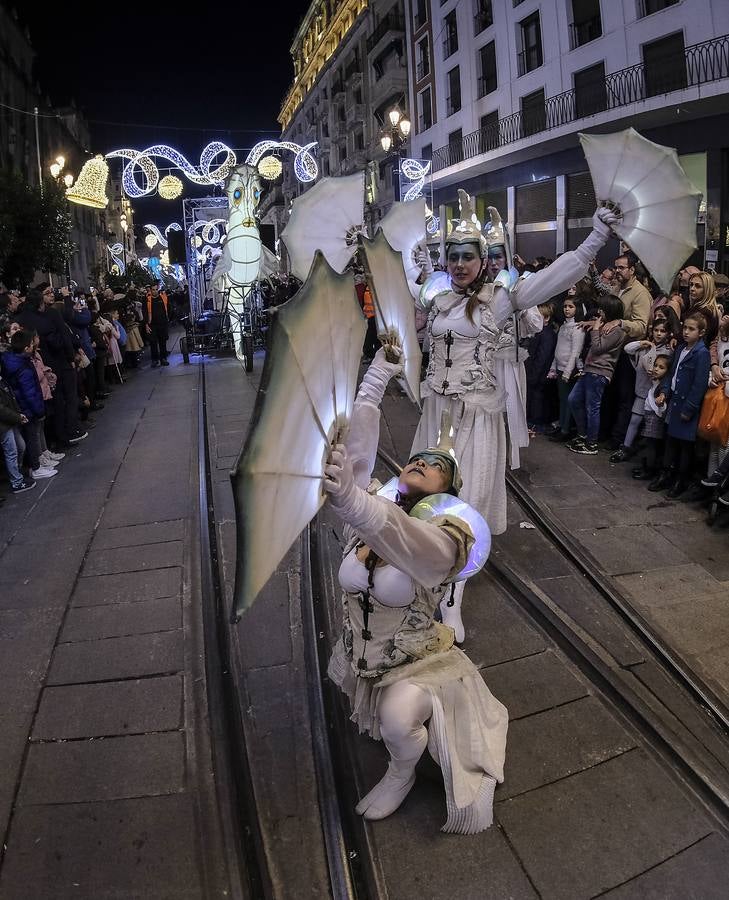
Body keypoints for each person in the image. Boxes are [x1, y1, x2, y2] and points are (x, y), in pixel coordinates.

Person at [412, 191, 620, 638]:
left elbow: (555, 276)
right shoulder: (440, 300)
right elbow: (400, 295)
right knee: (428, 502)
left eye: (469, 257)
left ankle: (452, 602)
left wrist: (597, 235)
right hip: (437, 415)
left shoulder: (499, 301)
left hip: (476, 418)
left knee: (460, 508)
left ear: (483, 261)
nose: (461, 264)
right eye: (454, 257)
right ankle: (429, 579)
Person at [323, 345, 507, 833]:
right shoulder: (374, 508)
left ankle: (401, 772)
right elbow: (357, 458)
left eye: (437, 466)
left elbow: (410, 541)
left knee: (398, 722)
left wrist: (354, 504)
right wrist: (378, 375)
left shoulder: (448, 536)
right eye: (418, 458)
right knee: (383, 716)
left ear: (448, 490)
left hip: (416, 662)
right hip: (365, 651)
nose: (424, 461)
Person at [649, 312, 712, 497]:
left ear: (701, 332)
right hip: (674, 403)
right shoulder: (680, 349)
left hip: (686, 406)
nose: (686, 332)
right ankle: (666, 474)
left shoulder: (702, 353)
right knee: (671, 442)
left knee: (685, 446)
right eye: (685, 327)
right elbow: (671, 375)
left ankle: (680, 479)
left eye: (691, 329)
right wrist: (665, 392)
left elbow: (699, 384)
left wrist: (690, 408)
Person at [567, 293, 626, 455]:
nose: (600, 311)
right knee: (573, 399)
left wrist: (595, 329)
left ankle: (591, 443)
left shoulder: (618, 331)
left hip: (600, 373)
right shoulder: (604, 325)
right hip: (589, 370)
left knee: (592, 407)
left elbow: (599, 347)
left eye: (603, 308)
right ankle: (582, 433)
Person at [610, 318, 673, 462]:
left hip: (655, 394)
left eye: (662, 331)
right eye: (656, 330)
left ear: (668, 333)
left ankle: (648, 458)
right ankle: (625, 447)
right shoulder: (646, 347)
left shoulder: (668, 351)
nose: (658, 334)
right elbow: (628, 349)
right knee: (635, 420)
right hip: (641, 390)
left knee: (652, 429)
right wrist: (641, 342)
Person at [608, 252, 652, 448]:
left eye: (621, 268)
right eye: (616, 267)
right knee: (612, 394)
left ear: (632, 270)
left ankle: (619, 440)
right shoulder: (618, 288)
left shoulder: (640, 293)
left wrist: (621, 322)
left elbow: (641, 326)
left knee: (625, 396)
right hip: (613, 348)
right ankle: (608, 434)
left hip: (629, 353)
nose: (617, 271)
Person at [1, 329, 57, 480]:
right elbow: (29, 392)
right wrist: (39, 410)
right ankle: (36, 467)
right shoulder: (22, 367)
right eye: (31, 344)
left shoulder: (12, 361)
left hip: (21, 406)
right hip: (28, 408)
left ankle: (37, 464)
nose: (33, 346)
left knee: (30, 437)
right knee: (31, 437)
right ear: (26, 348)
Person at [547, 293, 585, 442]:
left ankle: (565, 429)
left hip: (568, 370)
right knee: (562, 399)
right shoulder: (564, 326)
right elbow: (558, 348)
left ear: (577, 309)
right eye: (565, 306)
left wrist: (568, 371)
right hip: (560, 367)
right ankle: (561, 426)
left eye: (571, 306)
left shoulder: (577, 328)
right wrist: (553, 367)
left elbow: (576, 352)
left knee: (568, 400)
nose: (567, 309)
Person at [631, 354, 672, 480]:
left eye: (661, 367)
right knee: (647, 443)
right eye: (655, 365)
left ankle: (649, 469)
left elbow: (663, 400)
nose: (656, 369)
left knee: (651, 445)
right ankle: (646, 466)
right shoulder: (656, 380)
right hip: (649, 414)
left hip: (655, 417)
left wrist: (661, 400)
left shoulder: (664, 384)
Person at [0, 373, 35, 494]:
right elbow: (2, 409)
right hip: (4, 425)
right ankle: (16, 481)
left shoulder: (2, 380)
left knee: (20, 447)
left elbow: (11, 400)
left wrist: (18, 414)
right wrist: (17, 417)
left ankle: (17, 473)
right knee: (12, 451)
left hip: (10, 421)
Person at [525, 302, 557, 434]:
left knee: (537, 398)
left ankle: (535, 424)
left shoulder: (547, 335)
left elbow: (542, 357)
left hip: (539, 374)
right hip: (535, 372)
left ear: (547, 318)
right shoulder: (541, 333)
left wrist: (534, 375)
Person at [686, 271, 721, 345]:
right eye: (691, 284)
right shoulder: (699, 308)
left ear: (707, 290)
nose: (692, 288)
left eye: (697, 286)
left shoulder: (704, 312)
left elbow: (698, 340)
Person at [144, 283, 170, 367]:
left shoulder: (163, 298)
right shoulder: (147, 300)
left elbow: (168, 308)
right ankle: (155, 360)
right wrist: (146, 324)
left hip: (162, 324)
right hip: (152, 325)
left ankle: (163, 358)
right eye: (153, 290)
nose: (155, 291)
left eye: (156, 289)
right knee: (153, 343)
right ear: (150, 290)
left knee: (163, 342)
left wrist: (168, 320)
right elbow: (144, 312)